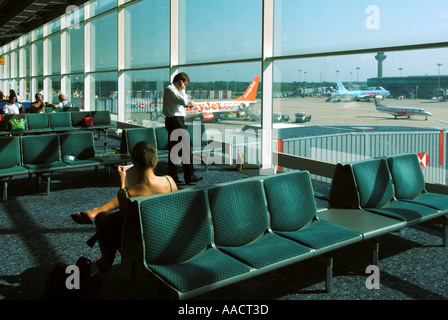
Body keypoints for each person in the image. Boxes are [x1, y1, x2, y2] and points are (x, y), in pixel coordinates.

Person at [70, 141, 177, 271]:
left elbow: (125, 220)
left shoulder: (128, 193)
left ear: (134, 162)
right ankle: (96, 211)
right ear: (154, 160)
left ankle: (105, 261)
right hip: (166, 236)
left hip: (138, 242)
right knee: (111, 217)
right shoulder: (169, 182)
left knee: (107, 221)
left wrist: (122, 181)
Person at [163, 72, 203, 185]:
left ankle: (173, 177)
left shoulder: (173, 90)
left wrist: (186, 105)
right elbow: (183, 101)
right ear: (180, 82)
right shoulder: (171, 89)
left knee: (174, 150)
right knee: (185, 148)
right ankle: (189, 176)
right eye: (184, 84)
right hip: (175, 121)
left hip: (176, 121)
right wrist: (183, 90)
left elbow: (180, 104)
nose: (185, 86)